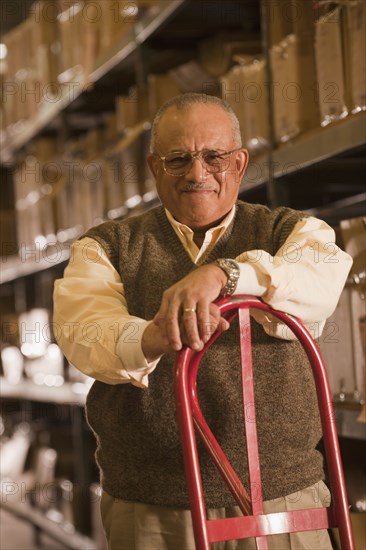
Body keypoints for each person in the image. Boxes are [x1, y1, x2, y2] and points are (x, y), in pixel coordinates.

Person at [53, 93, 352, 550]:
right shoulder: (105, 246)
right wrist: (158, 332)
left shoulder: (290, 232)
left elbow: (321, 281)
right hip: (152, 509)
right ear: (155, 168)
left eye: (215, 157)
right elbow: (85, 333)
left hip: (283, 499)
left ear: (240, 161)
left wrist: (226, 275)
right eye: (179, 160)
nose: (198, 174)